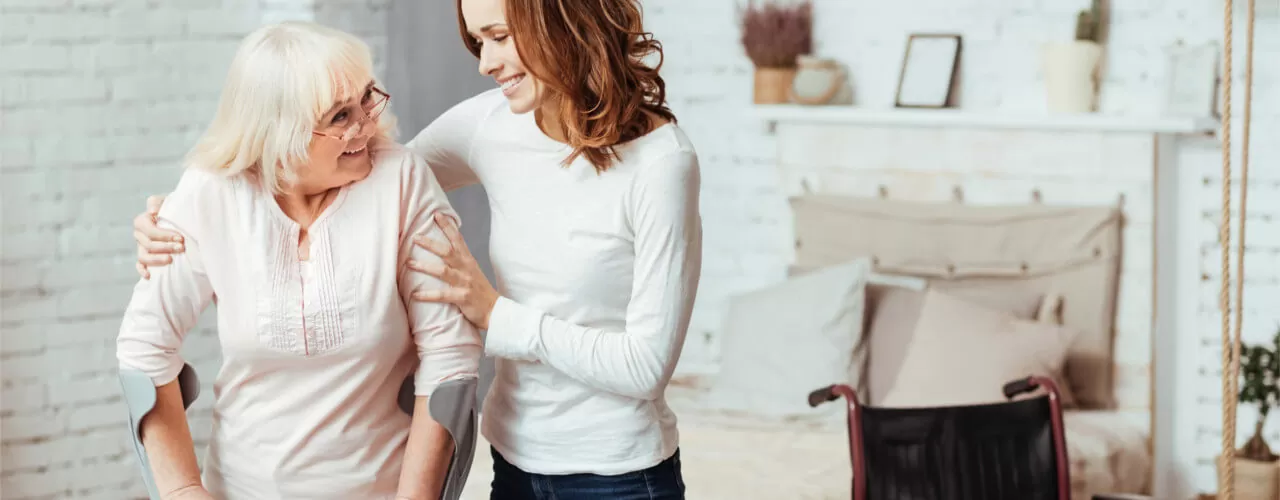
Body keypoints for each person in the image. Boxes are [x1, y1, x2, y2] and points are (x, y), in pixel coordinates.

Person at [131, 0, 702, 498]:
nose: (484, 63)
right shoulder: (490, 124)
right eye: (478, 41)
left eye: (499, 36)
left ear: (561, 21)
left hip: (619, 470)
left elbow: (645, 368)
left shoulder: (662, 164)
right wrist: (182, 215)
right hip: (516, 457)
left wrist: (494, 312)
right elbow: (376, 174)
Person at [115, 21, 482, 500]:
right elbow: (144, 348)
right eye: (340, 116)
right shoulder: (211, 193)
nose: (366, 125)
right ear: (278, 132)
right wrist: (182, 489)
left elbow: (450, 356)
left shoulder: (400, 180)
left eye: (366, 99)